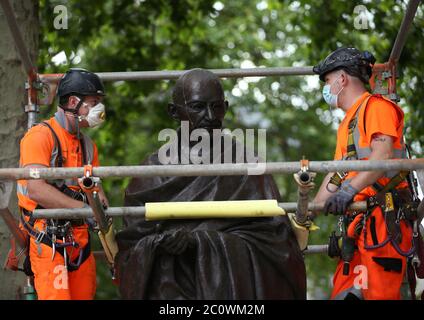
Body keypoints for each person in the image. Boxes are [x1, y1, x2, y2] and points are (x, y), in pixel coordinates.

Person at [115, 68, 306, 299]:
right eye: (197, 107)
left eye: (216, 107)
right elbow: (131, 246)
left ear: (225, 108)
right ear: (174, 112)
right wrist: (161, 243)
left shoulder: (247, 165)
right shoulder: (151, 171)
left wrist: (200, 241)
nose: (210, 116)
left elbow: (277, 243)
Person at [312, 47, 417, 300]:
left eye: (327, 81)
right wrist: (309, 208)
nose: (326, 88)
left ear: (342, 79)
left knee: (379, 295)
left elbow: (382, 159)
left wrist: (349, 190)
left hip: (383, 220)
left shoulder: (377, 108)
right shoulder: (348, 123)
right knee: (344, 294)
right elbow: (337, 174)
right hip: (357, 224)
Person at [17, 68, 109, 300]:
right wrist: (83, 209)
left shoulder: (88, 147)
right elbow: (35, 189)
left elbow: (99, 195)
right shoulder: (40, 136)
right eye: (94, 102)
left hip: (80, 239)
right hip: (47, 235)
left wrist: (99, 208)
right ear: (73, 101)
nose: (99, 109)